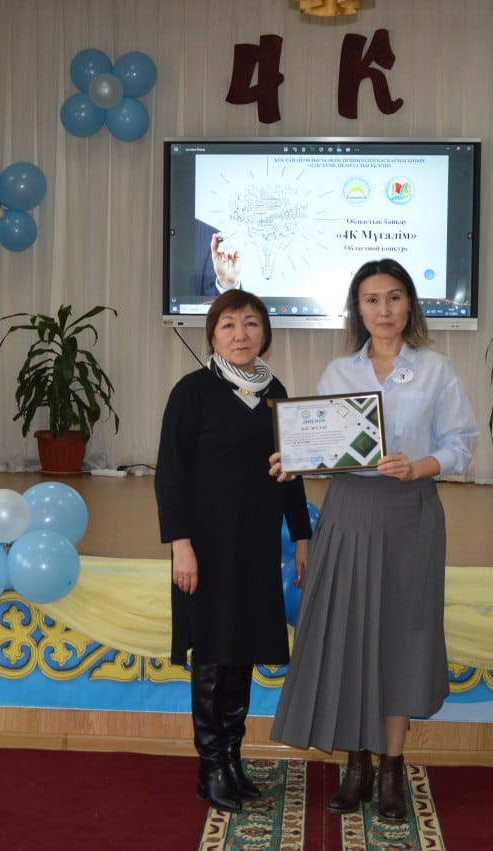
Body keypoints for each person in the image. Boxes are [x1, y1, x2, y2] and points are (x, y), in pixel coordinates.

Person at [269, 258, 478, 821]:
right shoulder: (339, 372)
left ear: (410, 304)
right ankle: (355, 766)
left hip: (410, 515)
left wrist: (418, 466)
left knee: (400, 639)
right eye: (371, 299)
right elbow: (322, 445)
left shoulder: (436, 369)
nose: (383, 310)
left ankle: (391, 769)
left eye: (393, 297)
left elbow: (460, 445)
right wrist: (293, 460)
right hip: (348, 513)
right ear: (357, 310)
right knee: (350, 636)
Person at [156, 289, 311, 813]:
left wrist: (302, 536)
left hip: (256, 543)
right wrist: (181, 546)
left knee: (241, 650)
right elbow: (170, 475)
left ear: (265, 332)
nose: (241, 334)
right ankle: (211, 766)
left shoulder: (275, 392)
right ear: (213, 335)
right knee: (213, 651)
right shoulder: (192, 392)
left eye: (250, 323)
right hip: (205, 547)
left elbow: (290, 471)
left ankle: (231, 760)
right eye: (228, 325)